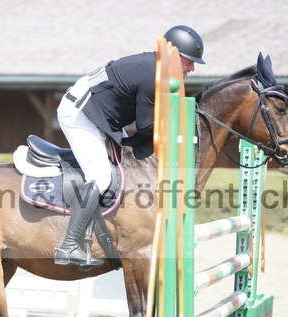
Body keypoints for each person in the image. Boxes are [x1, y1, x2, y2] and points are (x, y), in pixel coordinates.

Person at [54, 25, 205, 267]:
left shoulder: (159, 70)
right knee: (101, 177)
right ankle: (68, 245)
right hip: (80, 113)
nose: (192, 68)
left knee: (131, 167)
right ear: (175, 57)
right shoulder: (152, 76)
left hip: (102, 116)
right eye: (189, 62)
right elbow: (146, 127)